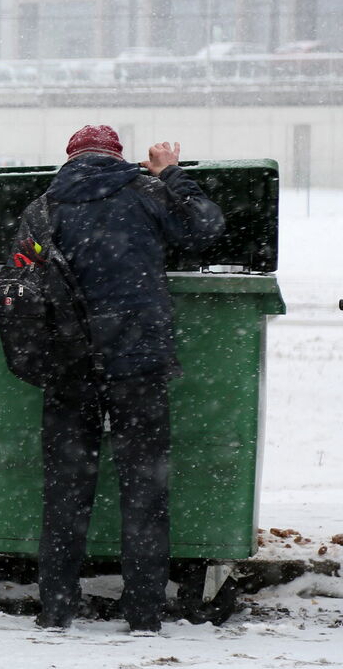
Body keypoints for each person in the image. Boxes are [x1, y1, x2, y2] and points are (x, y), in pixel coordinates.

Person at [17, 125, 225, 633]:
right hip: (139, 366)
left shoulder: (44, 208)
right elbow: (207, 229)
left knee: (65, 492)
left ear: (68, 158)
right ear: (120, 157)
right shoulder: (148, 193)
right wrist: (173, 173)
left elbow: (20, 275)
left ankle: (57, 609)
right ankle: (144, 615)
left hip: (71, 369)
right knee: (144, 493)